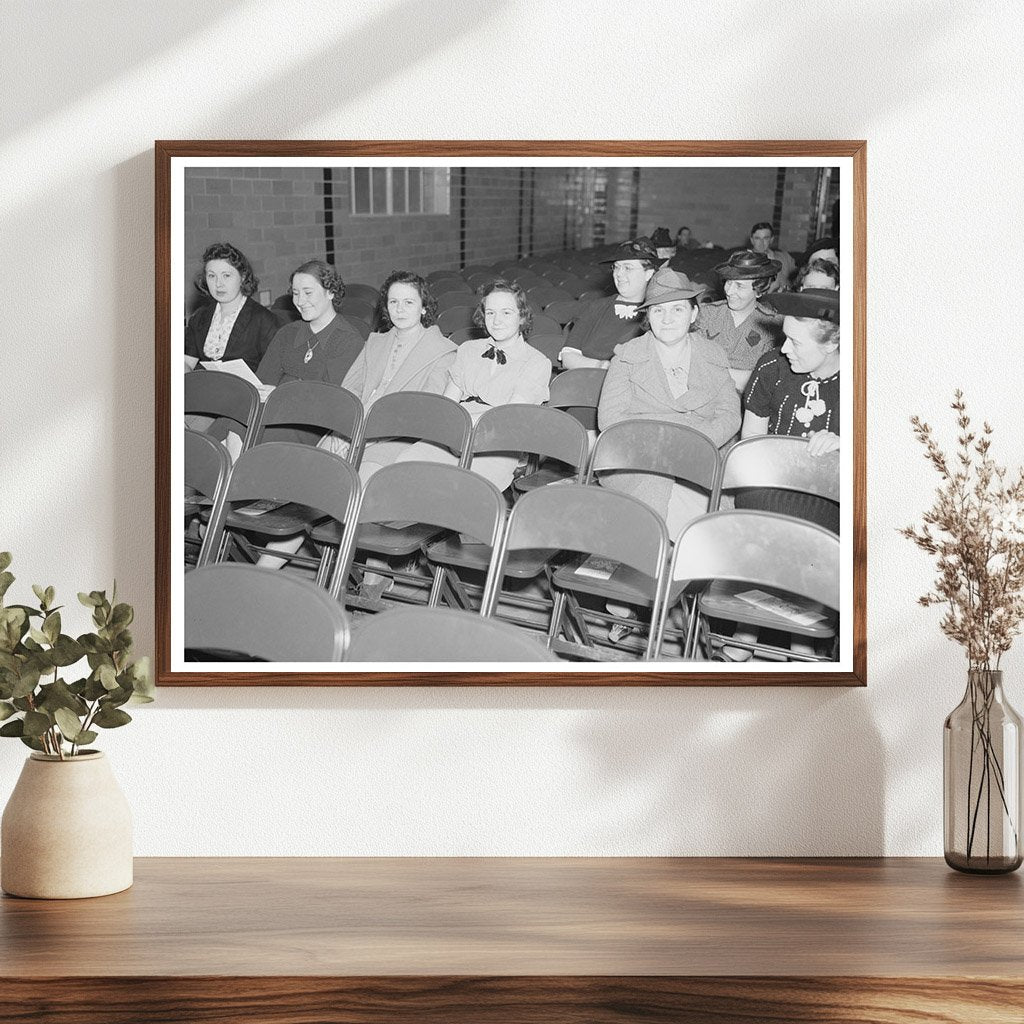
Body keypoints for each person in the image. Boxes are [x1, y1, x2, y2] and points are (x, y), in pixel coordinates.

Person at [598, 266, 741, 537]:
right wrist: (662, 446)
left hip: (700, 454)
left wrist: (692, 444)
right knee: (667, 497)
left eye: (677, 309)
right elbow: (610, 419)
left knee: (700, 513)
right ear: (647, 317)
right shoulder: (626, 357)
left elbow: (729, 415)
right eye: (658, 310)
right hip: (639, 459)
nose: (667, 319)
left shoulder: (714, 355)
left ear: (694, 314)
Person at [397, 279, 551, 492]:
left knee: (465, 489)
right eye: (490, 313)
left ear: (522, 316)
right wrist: (451, 430)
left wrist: (463, 429)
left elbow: (508, 417)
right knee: (404, 466)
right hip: (455, 432)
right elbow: (448, 402)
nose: (496, 321)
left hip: (498, 443)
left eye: (506, 313)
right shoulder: (468, 349)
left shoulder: (537, 362)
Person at [740, 288, 841, 531]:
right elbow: (751, 442)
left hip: (832, 498)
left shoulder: (866, 384)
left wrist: (845, 446)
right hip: (770, 487)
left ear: (832, 343)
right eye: (785, 337)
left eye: (795, 342)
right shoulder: (772, 367)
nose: (784, 349)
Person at [341, 270, 456, 479]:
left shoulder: (443, 351)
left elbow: (427, 411)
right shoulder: (374, 342)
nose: (400, 309)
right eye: (393, 302)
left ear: (424, 308)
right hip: (356, 427)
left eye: (409, 302)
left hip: (402, 437)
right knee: (315, 466)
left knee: (360, 478)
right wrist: (349, 429)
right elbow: (349, 389)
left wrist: (370, 433)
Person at [255, 259, 364, 387]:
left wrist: (283, 387)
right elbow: (263, 383)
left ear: (330, 292)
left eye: (308, 293)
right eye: (295, 293)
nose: (300, 301)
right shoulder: (287, 333)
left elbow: (330, 397)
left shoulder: (349, 341)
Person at [558, 237, 659, 370]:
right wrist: (603, 367)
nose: (619, 274)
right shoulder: (595, 307)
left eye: (628, 268)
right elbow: (568, 358)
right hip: (585, 382)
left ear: (649, 274)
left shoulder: (657, 312)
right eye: (616, 267)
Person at [184, 242, 281, 373]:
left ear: (243, 277)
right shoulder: (199, 318)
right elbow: (187, 362)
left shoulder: (264, 320)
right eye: (212, 276)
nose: (218, 284)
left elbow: (276, 370)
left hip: (248, 391)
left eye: (226, 275)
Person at [695, 250, 784, 392]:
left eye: (739, 286)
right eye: (728, 283)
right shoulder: (707, 313)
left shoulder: (772, 326)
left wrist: (712, 370)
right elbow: (691, 365)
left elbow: (762, 383)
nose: (729, 291)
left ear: (759, 290)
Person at [748, 222, 796, 293]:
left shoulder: (785, 257)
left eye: (765, 238)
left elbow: (796, 282)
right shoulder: (746, 260)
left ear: (771, 239)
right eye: (757, 238)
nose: (761, 243)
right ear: (752, 240)